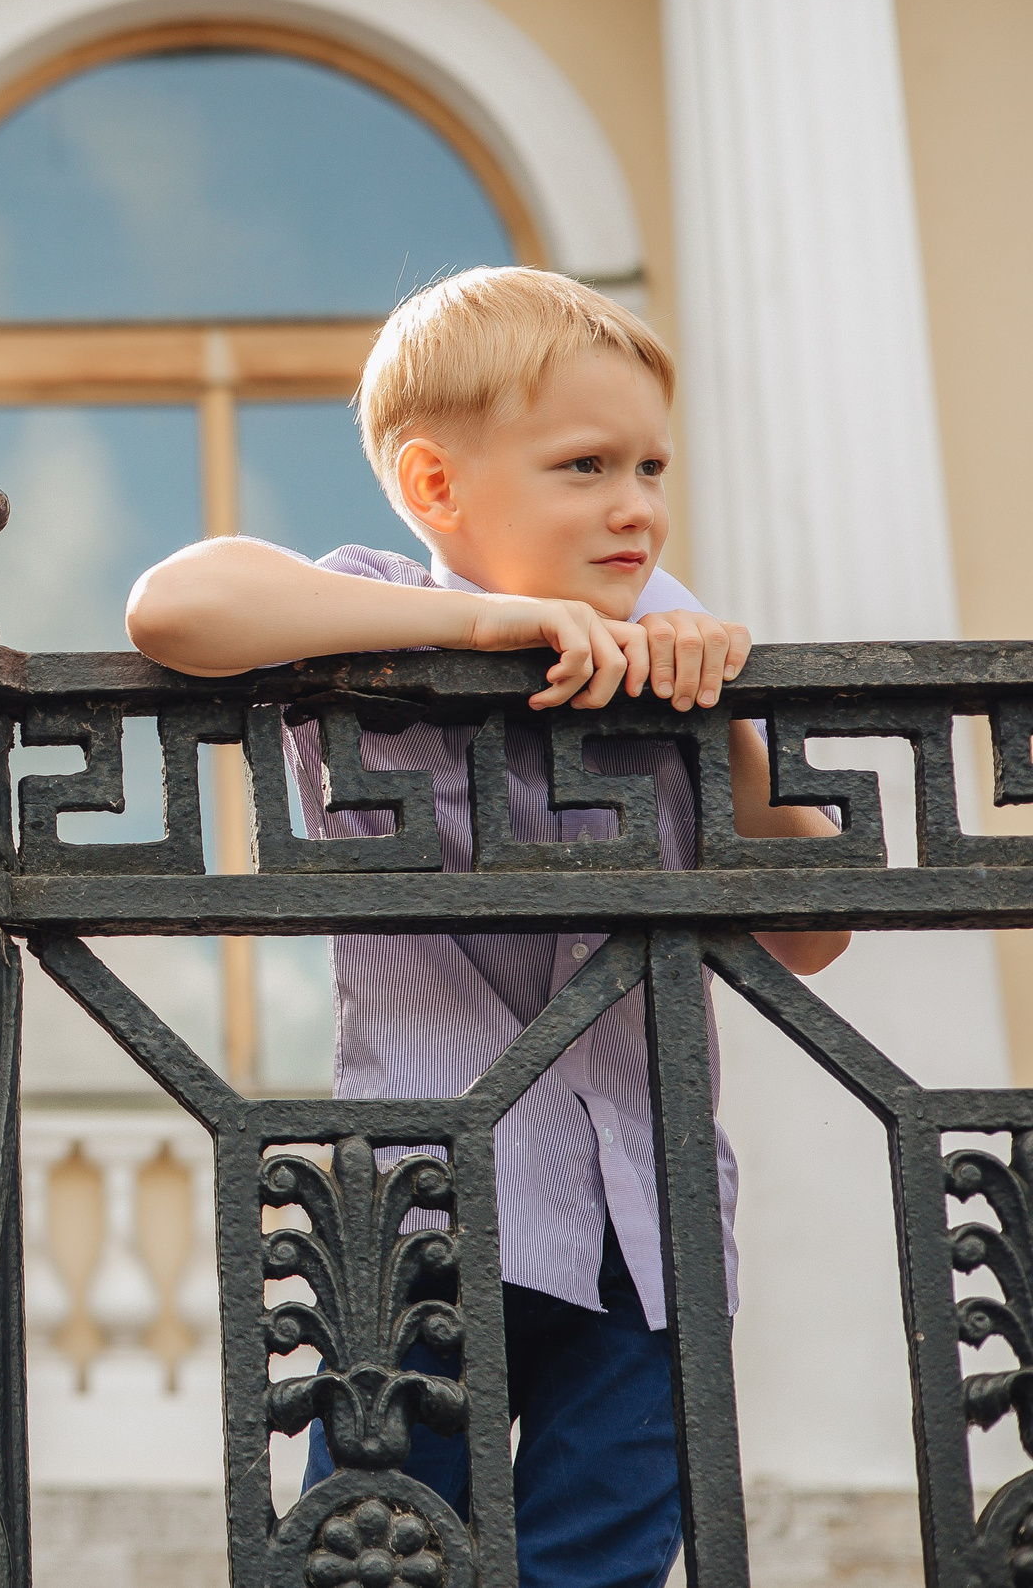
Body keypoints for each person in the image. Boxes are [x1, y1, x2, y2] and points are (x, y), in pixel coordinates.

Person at [124, 267, 846, 1587]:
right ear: (437, 485)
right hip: (435, 1205)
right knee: (380, 1552)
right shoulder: (374, 614)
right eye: (584, 466)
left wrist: (726, 714)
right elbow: (176, 607)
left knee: (600, 1565)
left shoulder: (664, 653)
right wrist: (480, 623)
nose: (635, 505)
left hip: (653, 1229)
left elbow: (811, 933)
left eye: (651, 466)